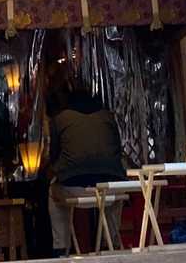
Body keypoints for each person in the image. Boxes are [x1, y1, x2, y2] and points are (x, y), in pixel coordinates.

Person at [47, 86, 126, 255]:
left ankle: (61, 247)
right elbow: (118, 150)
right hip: (109, 189)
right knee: (115, 194)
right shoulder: (108, 116)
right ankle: (110, 242)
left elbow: (54, 156)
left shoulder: (59, 119)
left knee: (53, 195)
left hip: (75, 187)